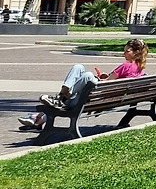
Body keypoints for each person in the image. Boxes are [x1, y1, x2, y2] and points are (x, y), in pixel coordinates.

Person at [18, 39, 149, 129]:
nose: (124, 53)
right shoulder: (140, 69)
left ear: (136, 52)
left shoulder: (126, 66)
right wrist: (105, 78)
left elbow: (107, 82)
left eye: (127, 51)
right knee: (79, 68)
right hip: (101, 99)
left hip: (89, 99)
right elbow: (113, 82)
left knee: (87, 75)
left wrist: (102, 79)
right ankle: (53, 105)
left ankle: (58, 100)